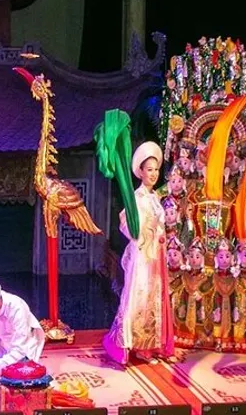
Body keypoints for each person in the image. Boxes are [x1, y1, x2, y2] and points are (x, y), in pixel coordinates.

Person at [101, 141, 175, 365]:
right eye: (149, 170)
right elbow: (126, 224)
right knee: (140, 298)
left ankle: (152, 344)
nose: (153, 174)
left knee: (155, 298)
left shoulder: (154, 198)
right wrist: (143, 232)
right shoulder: (137, 198)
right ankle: (138, 345)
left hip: (157, 254)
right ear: (140, 172)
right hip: (143, 255)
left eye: (156, 170)